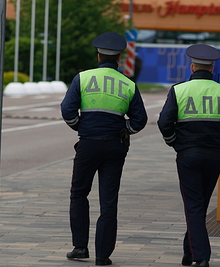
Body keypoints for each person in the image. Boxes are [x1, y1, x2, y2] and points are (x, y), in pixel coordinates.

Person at [60, 32, 148, 266]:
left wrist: (82, 126)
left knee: (79, 193)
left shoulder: (83, 78)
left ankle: (80, 247)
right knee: (109, 201)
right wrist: (124, 129)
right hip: (115, 146)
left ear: (98, 56)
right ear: (118, 58)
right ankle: (103, 255)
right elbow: (140, 120)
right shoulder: (128, 84)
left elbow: (67, 110)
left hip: (88, 144)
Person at [157, 44, 220, 267]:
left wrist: (174, 142)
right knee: (200, 204)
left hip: (188, 155)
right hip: (214, 156)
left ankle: (201, 257)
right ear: (212, 67)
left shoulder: (179, 90)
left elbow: (164, 122)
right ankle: (189, 252)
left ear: (192, 66)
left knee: (194, 206)